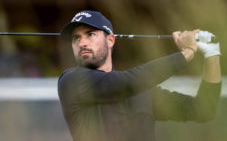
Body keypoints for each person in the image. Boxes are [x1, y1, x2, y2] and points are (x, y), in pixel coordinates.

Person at [58, 10, 222, 141]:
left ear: (110, 40)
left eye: (90, 34)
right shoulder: (71, 80)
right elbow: (127, 82)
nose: (82, 43)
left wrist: (212, 54)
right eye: (76, 38)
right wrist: (187, 52)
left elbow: (204, 110)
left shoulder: (143, 91)